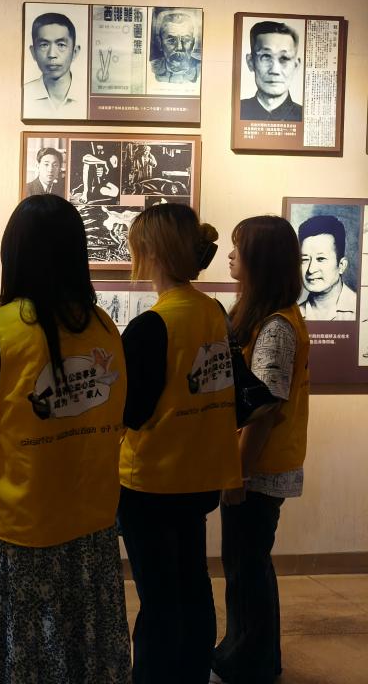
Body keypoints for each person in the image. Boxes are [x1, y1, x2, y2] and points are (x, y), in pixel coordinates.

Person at [0, 195, 131, 683]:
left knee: (13, 653)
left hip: (19, 527)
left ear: (14, 253)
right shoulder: (105, 327)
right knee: (83, 652)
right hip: (92, 524)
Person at [117, 203, 242, 684]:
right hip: (201, 475)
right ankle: (192, 672)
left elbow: (131, 411)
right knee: (193, 582)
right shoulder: (213, 312)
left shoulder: (152, 325)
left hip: (152, 480)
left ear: (151, 251)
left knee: (157, 598)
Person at [213, 216, 311, 684]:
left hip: (257, 468)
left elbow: (264, 409)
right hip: (255, 465)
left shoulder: (275, 327)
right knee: (247, 564)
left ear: (261, 260)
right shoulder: (269, 317)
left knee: (246, 567)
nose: (231, 256)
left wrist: (238, 473)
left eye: (239, 248)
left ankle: (247, 662)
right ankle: (250, 656)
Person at [22, 12, 85, 118]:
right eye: (44, 45)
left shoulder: (89, 95)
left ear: (74, 52)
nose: (52, 54)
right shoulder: (23, 94)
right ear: (33, 52)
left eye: (61, 45)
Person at [240, 20, 303, 122]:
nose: (275, 70)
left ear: (296, 66)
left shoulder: (305, 116)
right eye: (266, 56)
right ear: (250, 62)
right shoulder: (237, 110)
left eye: (284, 58)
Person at [297, 214, 356, 320]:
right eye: (305, 259)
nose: (311, 269)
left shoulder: (361, 309)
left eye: (321, 259)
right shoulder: (295, 315)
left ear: (341, 265)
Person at [150, 10, 201, 84]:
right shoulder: (151, 68)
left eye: (186, 40)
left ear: (193, 43)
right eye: (171, 41)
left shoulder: (201, 68)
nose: (179, 48)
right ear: (159, 43)